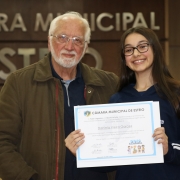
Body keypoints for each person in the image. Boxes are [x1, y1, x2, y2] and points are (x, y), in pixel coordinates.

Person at [0, 12, 119, 180]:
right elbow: (2, 143)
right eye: (62, 37)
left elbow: (122, 137)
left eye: (77, 40)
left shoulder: (109, 83)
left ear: (86, 47)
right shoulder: (19, 83)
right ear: (49, 42)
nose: (69, 47)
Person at [66, 26, 180, 180]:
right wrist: (81, 151)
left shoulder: (175, 94)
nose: (136, 53)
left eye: (142, 46)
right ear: (125, 59)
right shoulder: (118, 99)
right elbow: (112, 159)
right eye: (129, 50)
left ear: (155, 50)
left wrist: (169, 149)